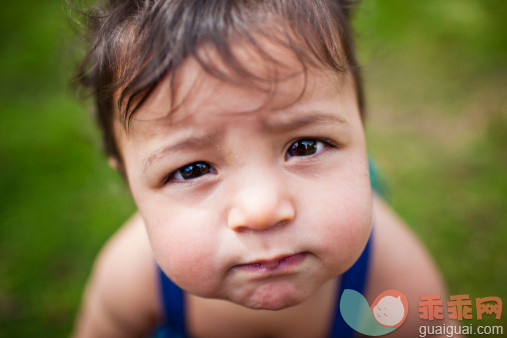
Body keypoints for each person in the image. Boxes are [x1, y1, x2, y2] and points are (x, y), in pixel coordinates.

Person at [72, 0, 450, 336]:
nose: (262, 210)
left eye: (305, 147)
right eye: (192, 169)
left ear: (360, 129)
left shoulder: (396, 280)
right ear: (128, 180)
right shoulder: (131, 276)